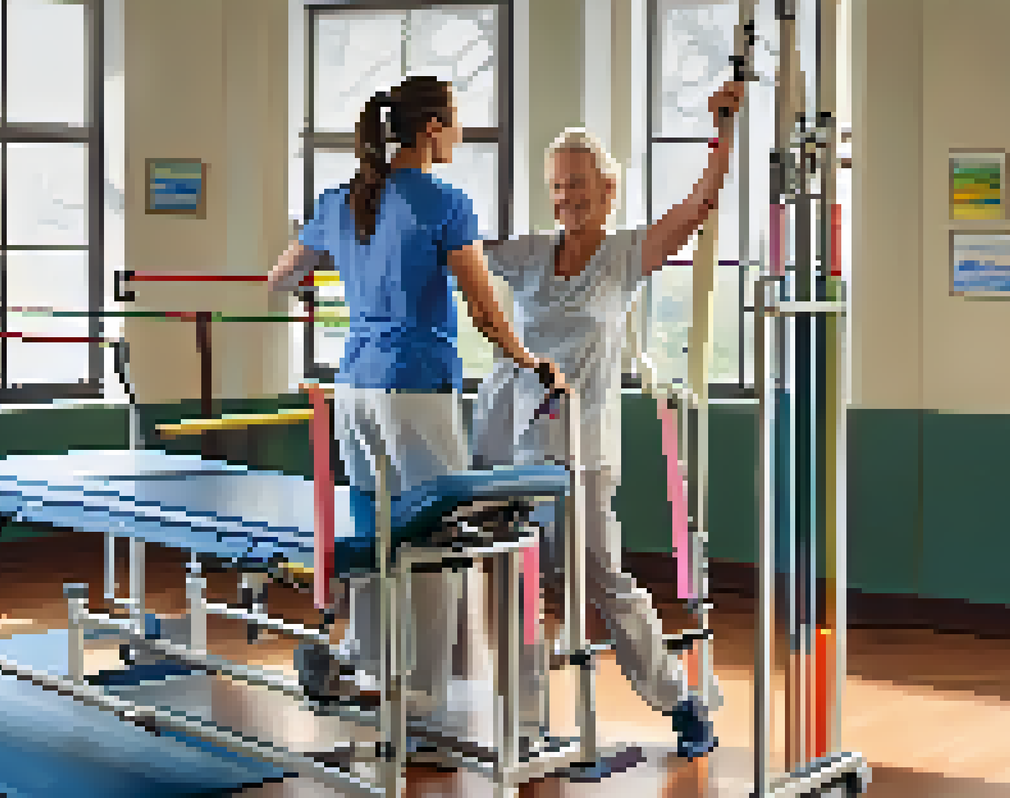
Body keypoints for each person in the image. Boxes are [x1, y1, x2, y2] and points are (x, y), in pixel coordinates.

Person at [267, 75, 569, 739]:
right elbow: (483, 308)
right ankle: (423, 693)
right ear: (432, 129)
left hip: (354, 391)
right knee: (436, 539)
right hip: (416, 391)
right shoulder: (445, 204)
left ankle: (368, 664)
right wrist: (529, 359)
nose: (460, 134)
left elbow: (282, 275)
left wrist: (318, 291)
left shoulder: (341, 199)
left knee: (377, 535)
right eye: (456, 122)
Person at [471, 81, 745, 760]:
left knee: (603, 584)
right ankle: (525, 723)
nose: (566, 197)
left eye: (578, 185)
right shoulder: (531, 253)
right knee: (515, 585)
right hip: (512, 448)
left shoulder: (624, 256)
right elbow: (459, 254)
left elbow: (698, 208)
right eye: (557, 187)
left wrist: (723, 133)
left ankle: (680, 700)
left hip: (582, 453)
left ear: (609, 187)